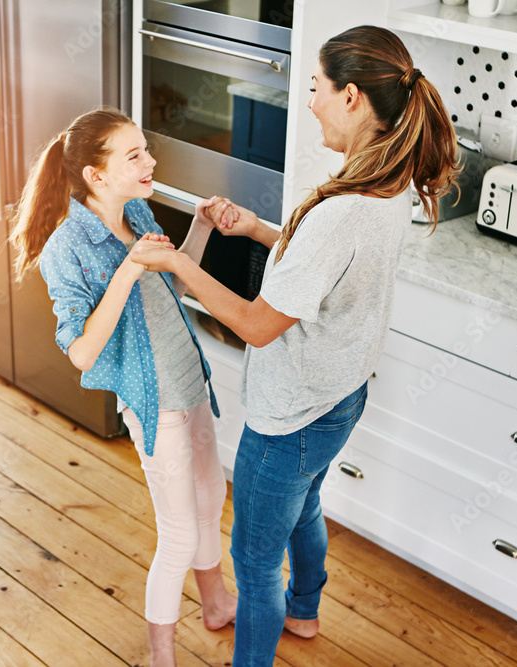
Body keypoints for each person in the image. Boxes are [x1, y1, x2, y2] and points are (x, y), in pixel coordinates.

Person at [131, 25, 459, 666]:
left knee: (254, 565)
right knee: (306, 504)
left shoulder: (345, 207)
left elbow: (257, 325)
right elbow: (325, 267)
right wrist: (258, 230)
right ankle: (306, 610)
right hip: (342, 394)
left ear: (353, 97)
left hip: (292, 417)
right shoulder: (388, 179)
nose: (309, 101)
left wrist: (181, 267)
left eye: (316, 88)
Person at [8, 107, 237, 666]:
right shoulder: (69, 246)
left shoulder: (134, 209)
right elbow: (81, 349)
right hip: (155, 403)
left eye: (145, 149)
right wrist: (129, 269)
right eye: (134, 154)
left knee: (212, 501)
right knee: (179, 534)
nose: (150, 161)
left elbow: (173, 279)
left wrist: (201, 228)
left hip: (190, 379)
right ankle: (163, 658)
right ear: (96, 174)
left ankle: (215, 604)